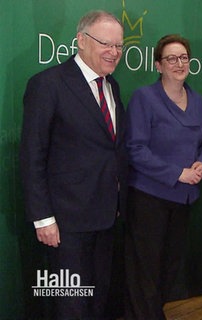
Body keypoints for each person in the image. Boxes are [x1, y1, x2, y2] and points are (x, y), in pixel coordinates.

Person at [19, 10, 127, 318]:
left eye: (119, 46)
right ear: (81, 41)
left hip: (105, 217)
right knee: (71, 305)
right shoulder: (47, 84)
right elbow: (32, 155)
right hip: (66, 224)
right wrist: (42, 218)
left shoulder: (112, 87)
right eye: (106, 44)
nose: (114, 52)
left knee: (98, 300)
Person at [124, 34, 202, 319]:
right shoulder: (144, 98)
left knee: (169, 268)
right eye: (171, 58)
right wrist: (177, 173)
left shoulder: (196, 100)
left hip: (183, 200)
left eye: (183, 57)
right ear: (158, 65)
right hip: (150, 198)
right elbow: (135, 149)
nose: (179, 63)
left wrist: (201, 164)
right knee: (145, 270)